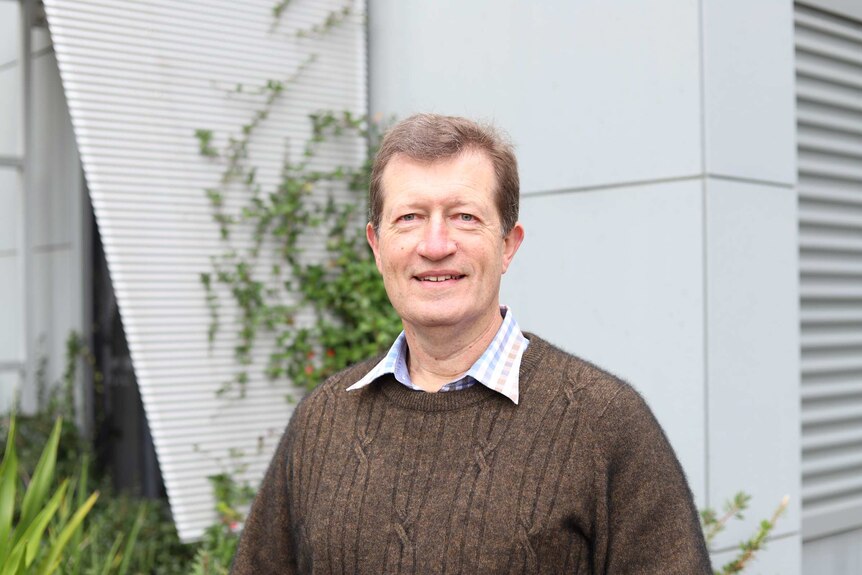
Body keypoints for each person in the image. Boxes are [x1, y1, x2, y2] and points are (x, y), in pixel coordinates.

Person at [231, 114, 712, 574]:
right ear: (378, 248)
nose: (435, 244)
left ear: (508, 245)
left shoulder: (605, 423)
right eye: (410, 217)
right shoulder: (321, 420)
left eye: (463, 216)